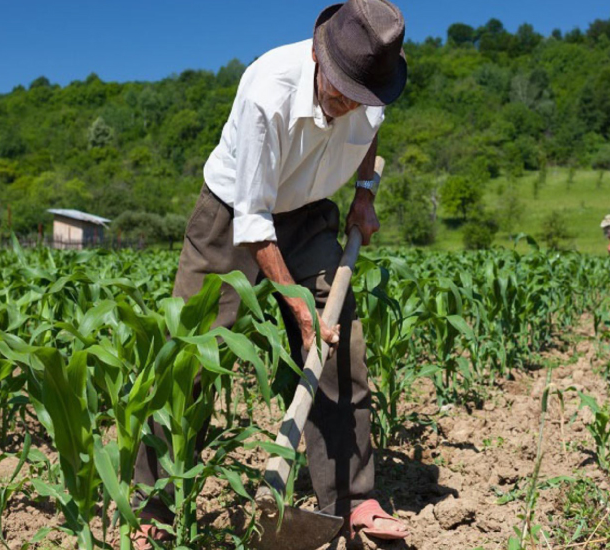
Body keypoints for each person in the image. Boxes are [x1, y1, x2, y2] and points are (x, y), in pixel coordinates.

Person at [131, 0, 410, 546]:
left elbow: (370, 133)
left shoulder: (373, 87)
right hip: (233, 212)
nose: (349, 104)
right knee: (189, 353)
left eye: (361, 97)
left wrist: (365, 195)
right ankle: (149, 507)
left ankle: (353, 499)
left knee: (339, 346)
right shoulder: (267, 91)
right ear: (317, 56)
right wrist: (296, 307)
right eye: (340, 92)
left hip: (311, 214)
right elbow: (254, 223)